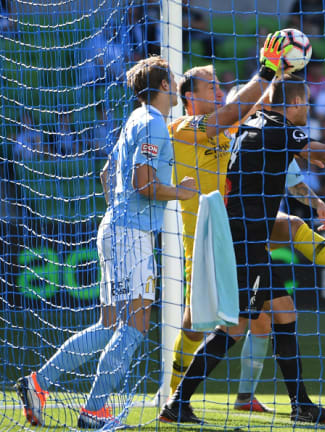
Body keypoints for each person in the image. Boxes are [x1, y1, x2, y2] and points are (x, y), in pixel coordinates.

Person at [159, 75, 325, 425]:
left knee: (284, 311)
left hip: (243, 234)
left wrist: (312, 187)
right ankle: (177, 402)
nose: (308, 109)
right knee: (235, 328)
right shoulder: (279, 130)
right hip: (243, 239)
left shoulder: (254, 125)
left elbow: (299, 165)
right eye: (306, 103)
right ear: (294, 105)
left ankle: (301, 405)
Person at [16, 56, 197, 429]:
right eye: (173, 81)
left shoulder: (134, 119)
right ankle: (93, 411)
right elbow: (143, 184)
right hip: (132, 234)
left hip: (115, 227)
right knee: (135, 324)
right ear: (163, 86)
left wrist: (119, 211)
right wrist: (179, 192)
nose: (177, 85)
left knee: (109, 326)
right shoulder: (153, 124)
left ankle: (38, 383)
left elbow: (106, 173)